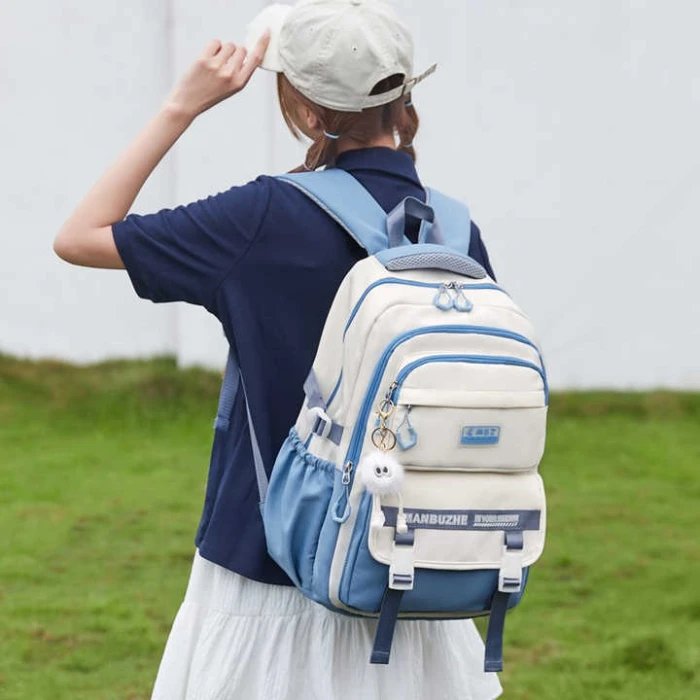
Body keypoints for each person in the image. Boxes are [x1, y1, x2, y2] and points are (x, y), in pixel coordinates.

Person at [54, 1, 502, 698]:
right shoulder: (453, 229)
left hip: (271, 566)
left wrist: (183, 105)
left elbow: (80, 236)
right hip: (407, 565)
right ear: (402, 98)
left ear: (309, 111)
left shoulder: (262, 216)